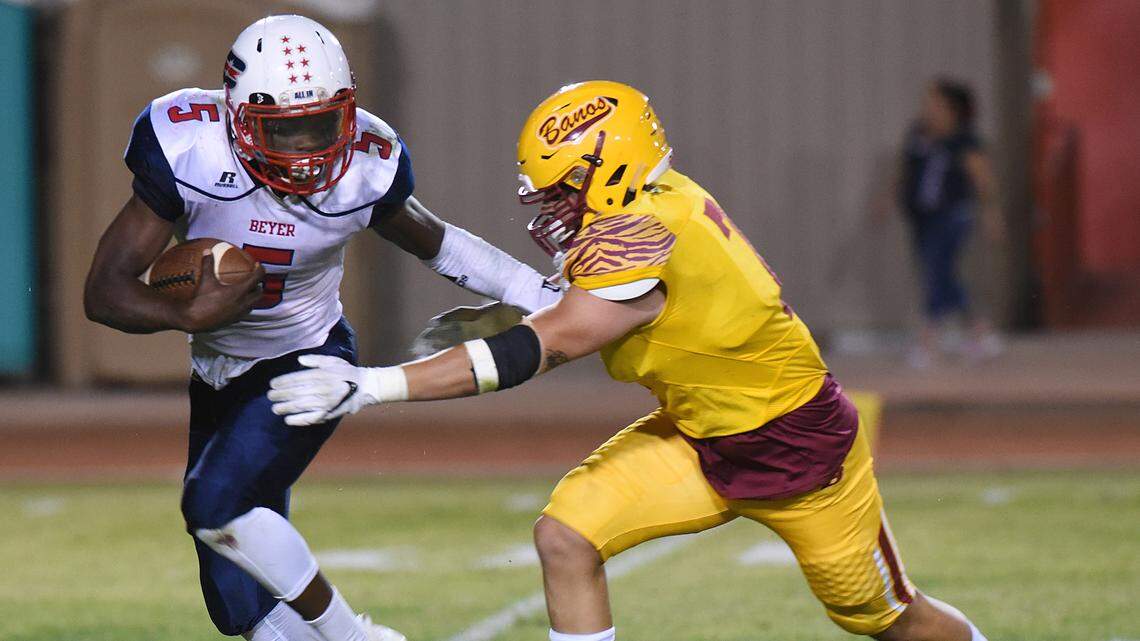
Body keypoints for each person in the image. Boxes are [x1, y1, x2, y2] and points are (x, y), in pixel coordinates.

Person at [268, 80, 990, 641]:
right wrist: (522, 305)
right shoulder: (648, 202)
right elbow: (575, 306)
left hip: (797, 448)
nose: (552, 207)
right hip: (699, 434)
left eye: (562, 188)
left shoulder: (643, 232)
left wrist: (371, 385)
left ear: (607, 168)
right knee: (566, 534)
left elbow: (546, 346)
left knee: (887, 618)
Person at [84, 15, 559, 641]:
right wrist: (178, 314)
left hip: (308, 360)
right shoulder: (186, 148)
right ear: (238, 115)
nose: (308, 150)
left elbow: (439, 243)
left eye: (322, 125)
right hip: (219, 371)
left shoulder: (367, 165)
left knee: (212, 505)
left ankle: (354, 635)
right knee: (237, 606)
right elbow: (105, 291)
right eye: (288, 130)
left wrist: (543, 295)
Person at [898, 78, 1004, 367]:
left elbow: (982, 178)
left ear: (952, 109)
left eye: (936, 103)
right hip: (923, 218)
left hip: (953, 215)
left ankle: (928, 340)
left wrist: (991, 213)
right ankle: (979, 331)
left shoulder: (963, 139)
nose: (928, 109)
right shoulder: (919, 135)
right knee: (941, 276)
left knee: (937, 273)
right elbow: (906, 170)